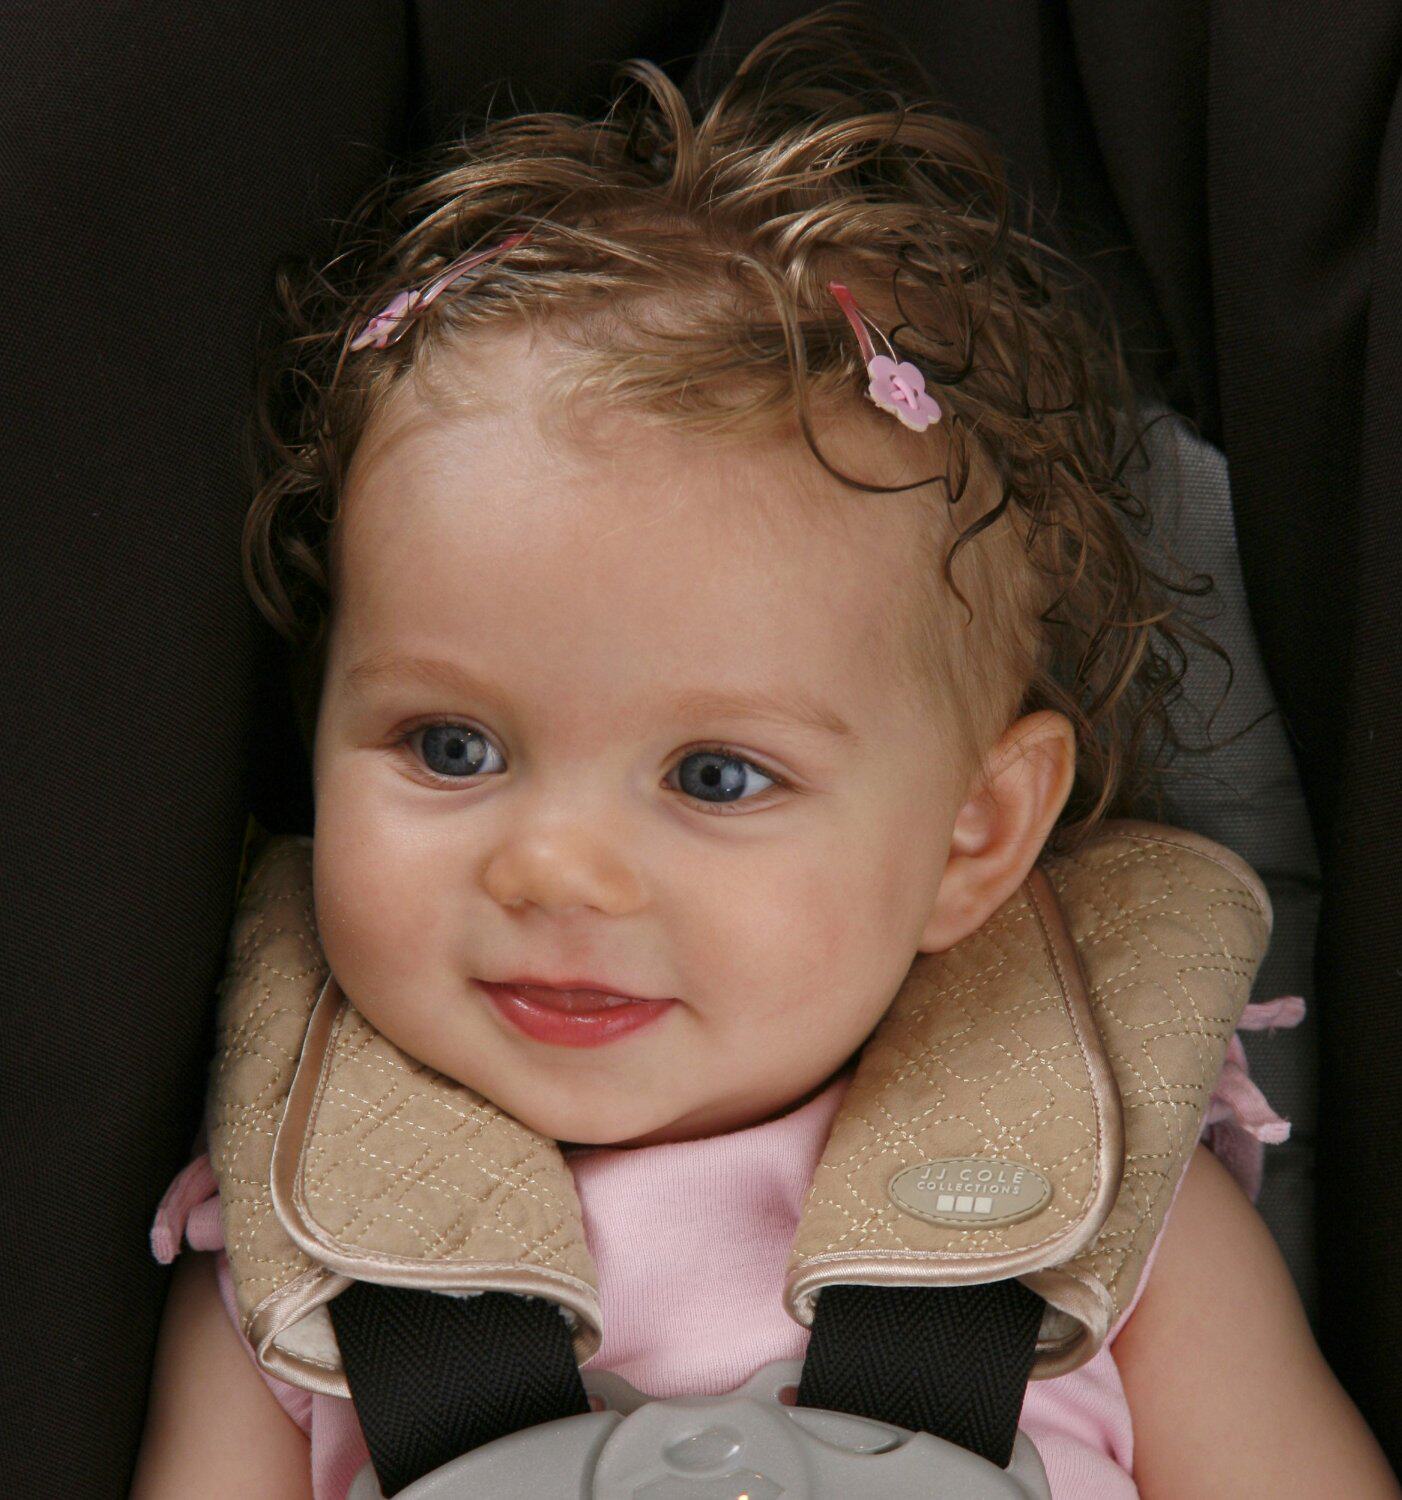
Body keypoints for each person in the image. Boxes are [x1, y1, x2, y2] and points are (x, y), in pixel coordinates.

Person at [129, 7, 1400, 1496]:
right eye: (452, 745)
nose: (555, 868)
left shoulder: (1107, 1229)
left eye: (716, 776)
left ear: (974, 834)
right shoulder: (299, 1271)